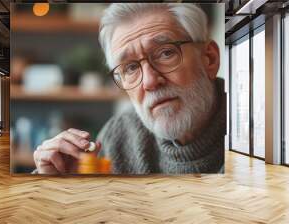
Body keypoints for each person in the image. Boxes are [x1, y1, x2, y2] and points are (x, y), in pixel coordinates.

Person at [33, 3, 225, 174]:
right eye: (131, 67)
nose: (149, 82)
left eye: (166, 53)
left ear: (209, 59)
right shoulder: (120, 137)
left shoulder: (249, 135)